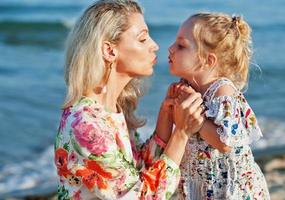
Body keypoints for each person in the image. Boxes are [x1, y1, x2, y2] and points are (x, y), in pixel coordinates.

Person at [54, 0, 205, 199]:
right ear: (110, 51)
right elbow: (141, 195)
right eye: (142, 39)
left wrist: (166, 117)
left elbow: (136, 171)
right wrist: (182, 134)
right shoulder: (86, 124)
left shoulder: (110, 109)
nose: (155, 45)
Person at [164, 12, 270, 199]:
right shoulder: (186, 87)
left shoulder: (222, 92)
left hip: (229, 188)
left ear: (208, 60)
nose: (170, 48)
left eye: (181, 45)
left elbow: (225, 142)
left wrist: (199, 121)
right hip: (200, 183)